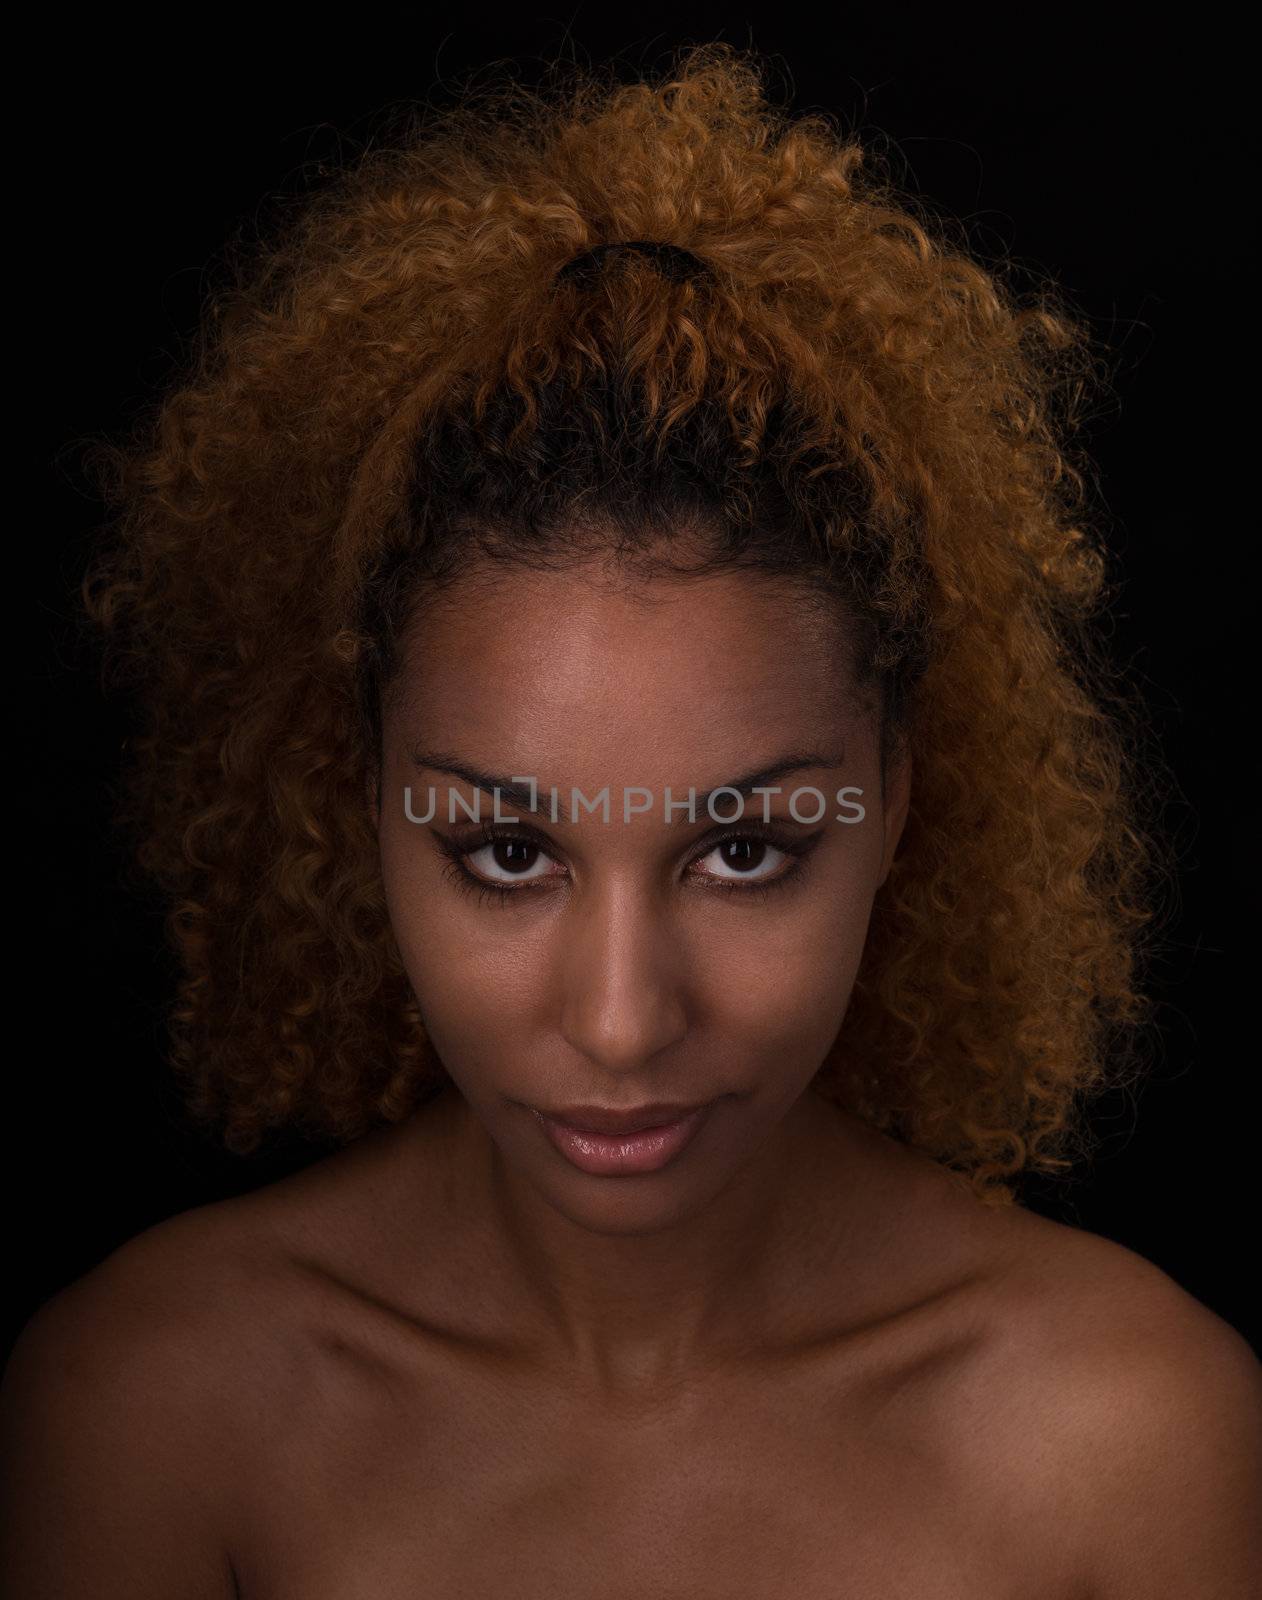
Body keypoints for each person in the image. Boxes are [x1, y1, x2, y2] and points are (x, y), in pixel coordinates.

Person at [2, 42, 1258, 1599]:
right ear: (363, 810)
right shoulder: (154, 1411)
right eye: (507, 853)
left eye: (744, 851)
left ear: (897, 809)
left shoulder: (1130, 1436)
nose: (617, 1020)